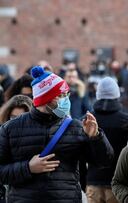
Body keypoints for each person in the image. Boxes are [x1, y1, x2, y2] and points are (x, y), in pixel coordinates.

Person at [0, 66, 114, 202]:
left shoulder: (75, 127)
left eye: (67, 95)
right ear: (45, 99)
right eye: (60, 96)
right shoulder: (11, 128)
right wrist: (28, 167)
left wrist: (95, 137)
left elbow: (104, 162)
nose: (66, 100)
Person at [86, 77, 128, 203]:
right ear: (117, 95)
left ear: (98, 94)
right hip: (118, 183)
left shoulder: (86, 121)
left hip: (93, 181)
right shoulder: (126, 121)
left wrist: (85, 180)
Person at [0, 95, 32, 202]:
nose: (17, 122)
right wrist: (28, 167)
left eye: (22, 117)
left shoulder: (37, 137)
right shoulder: (3, 136)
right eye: (13, 118)